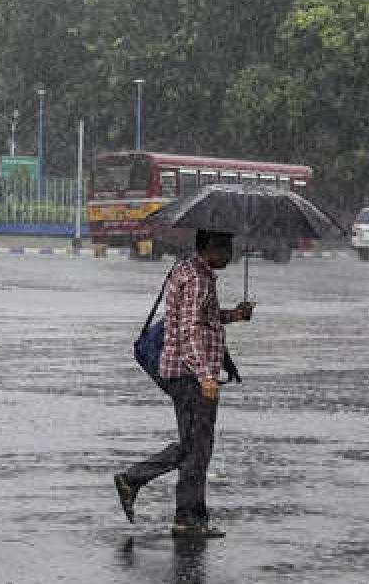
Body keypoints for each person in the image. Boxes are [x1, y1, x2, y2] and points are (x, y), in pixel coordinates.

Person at [114, 230, 255, 538]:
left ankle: (188, 516)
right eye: (225, 249)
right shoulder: (197, 279)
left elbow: (204, 317)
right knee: (195, 445)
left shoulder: (193, 272)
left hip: (187, 372)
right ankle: (138, 482)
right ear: (209, 248)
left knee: (197, 446)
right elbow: (190, 330)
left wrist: (234, 315)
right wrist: (205, 375)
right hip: (190, 375)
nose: (230, 255)